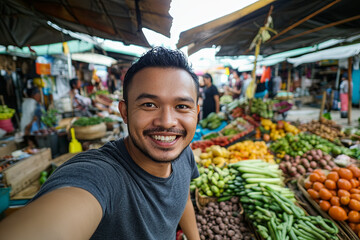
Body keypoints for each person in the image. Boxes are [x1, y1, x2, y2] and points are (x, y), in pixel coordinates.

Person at [0, 47, 201, 240]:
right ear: (124, 112)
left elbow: (181, 194)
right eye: (149, 105)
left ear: (196, 113)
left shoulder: (183, 154)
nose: (166, 121)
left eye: (182, 106)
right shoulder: (100, 176)